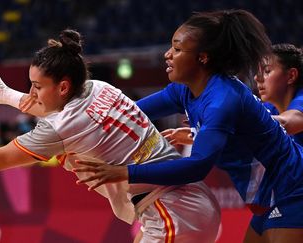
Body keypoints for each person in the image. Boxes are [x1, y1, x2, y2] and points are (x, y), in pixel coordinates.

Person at [0, 29, 220, 242]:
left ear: (63, 86)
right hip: (192, 203)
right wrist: (7, 96)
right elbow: (61, 113)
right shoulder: (98, 88)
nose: (31, 94)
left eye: (36, 87)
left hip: (172, 215)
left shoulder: (62, 127)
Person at [72, 10, 303, 243]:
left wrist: (124, 173)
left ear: (202, 58)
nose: (167, 54)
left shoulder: (222, 101)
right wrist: (68, 116)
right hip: (270, 198)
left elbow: (197, 166)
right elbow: (129, 114)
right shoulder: (184, 90)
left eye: (177, 49)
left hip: (294, 189)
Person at [255, 43, 303, 144]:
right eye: (258, 72)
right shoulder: (270, 107)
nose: (257, 78)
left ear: (291, 76)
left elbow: (286, 123)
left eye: (267, 71)